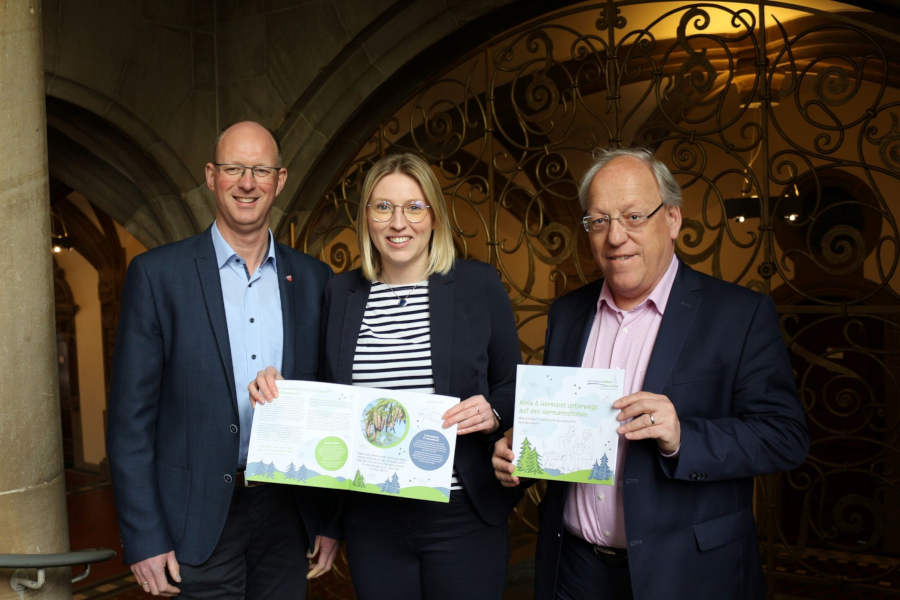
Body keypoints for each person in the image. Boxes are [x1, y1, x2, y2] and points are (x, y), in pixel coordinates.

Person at [492, 147, 809, 599]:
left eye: (634, 216)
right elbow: (566, 433)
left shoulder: (739, 314)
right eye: (599, 221)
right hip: (575, 570)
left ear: (673, 219)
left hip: (685, 574)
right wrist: (522, 449)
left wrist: (683, 437)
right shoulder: (567, 313)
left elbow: (785, 437)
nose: (615, 236)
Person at [251, 152, 522, 600]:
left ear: (433, 216)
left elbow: (513, 385)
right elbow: (327, 399)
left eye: (414, 207)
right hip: (371, 519)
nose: (399, 222)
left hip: (460, 514)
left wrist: (493, 411)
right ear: (367, 219)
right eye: (383, 207)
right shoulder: (342, 292)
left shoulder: (477, 285)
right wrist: (280, 391)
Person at [107, 121, 338, 599]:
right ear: (212, 176)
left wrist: (328, 520)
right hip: (195, 517)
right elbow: (131, 421)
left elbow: (331, 403)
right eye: (234, 168)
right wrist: (144, 536)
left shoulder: (315, 280)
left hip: (287, 512)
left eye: (260, 170)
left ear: (281, 179)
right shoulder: (158, 276)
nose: (247, 182)